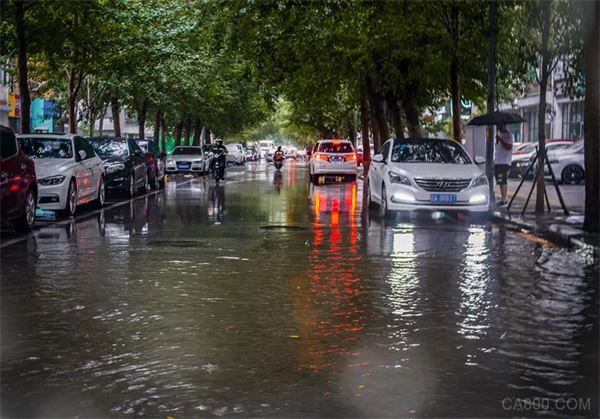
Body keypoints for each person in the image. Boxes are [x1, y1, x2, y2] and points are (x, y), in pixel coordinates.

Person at [494, 123, 513, 205]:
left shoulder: (508, 134)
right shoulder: (499, 134)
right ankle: (503, 198)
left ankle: (504, 199)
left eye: (499, 126)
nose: (498, 127)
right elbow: (498, 151)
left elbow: (509, 147)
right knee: (500, 181)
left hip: (504, 162)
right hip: (498, 162)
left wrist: (501, 140)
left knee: (503, 181)